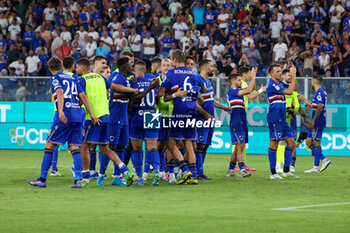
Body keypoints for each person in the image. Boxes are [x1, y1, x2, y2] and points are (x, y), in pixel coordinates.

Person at [27, 57, 98, 188]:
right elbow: (83, 96)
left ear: (49, 69)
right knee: (75, 147)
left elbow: (59, 93)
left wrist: (60, 111)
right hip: (77, 115)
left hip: (65, 116)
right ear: (61, 66)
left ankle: (42, 179)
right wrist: (92, 114)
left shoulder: (55, 78)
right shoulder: (74, 78)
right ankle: (77, 181)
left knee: (49, 145)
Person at [75, 57, 138, 187]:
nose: (76, 70)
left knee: (84, 145)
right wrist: (132, 90)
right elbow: (115, 87)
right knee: (104, 148)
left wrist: (91, 113)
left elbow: (83, 97)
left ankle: (85, 178)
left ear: (82, 68)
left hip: (92, 118)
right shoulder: (101, 78)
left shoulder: (83, 80)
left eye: (77, 67)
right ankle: (125, 170)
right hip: (106, 117)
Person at [158, 49, 206, 185]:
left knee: (172, 142)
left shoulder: (171, 73)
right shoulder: (194, 73)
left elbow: (161, 94)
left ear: (174, 60)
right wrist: (194, 92)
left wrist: (172, 94)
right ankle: (194, 175)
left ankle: (186, 171)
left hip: (179, 111)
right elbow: (204, 90)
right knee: (189, 144)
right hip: (192, 110)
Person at [196, 59, 231, 180]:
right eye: (211, 66)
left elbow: (209, 100)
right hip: (202, 118)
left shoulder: (208, 82)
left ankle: (200, 171)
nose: (214, 68)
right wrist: (205, 114)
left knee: (205, 145)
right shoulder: (198, 80)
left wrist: (223, 107)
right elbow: (196, 102)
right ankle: (197, 172)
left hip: (210, 118)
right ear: (205, 68)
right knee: (199, 145)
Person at [129, 60, 160, 186]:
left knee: (136, 148)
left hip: (137, 115)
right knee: (152, 147)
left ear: (134, 71)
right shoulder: (153, 81)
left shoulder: (132, 83)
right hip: (152, 115)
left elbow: (132, 100)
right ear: (145, 70)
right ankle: (157, 172)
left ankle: (140, 178)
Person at [266, 64, 299, 180]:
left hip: (282, 117)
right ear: (271, 74)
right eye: (277, 71)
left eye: (280, 71)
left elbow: (294, 89)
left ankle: (286, 171)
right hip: (275, 116)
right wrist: (293, 76)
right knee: (274, 143)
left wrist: (293, 76)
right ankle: (273, 173)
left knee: (291, 143)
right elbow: (290, 92)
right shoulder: (272, 85)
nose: (280, 73)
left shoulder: (280, 84)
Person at [226, 69, 256, 178]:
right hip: (236, 122)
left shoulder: (239, 93)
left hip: (242, 121)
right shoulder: (232, 91)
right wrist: (253, 77)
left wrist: (261, 90)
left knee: (241, 145)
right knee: (239, 145)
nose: (241, 82)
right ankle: (243, 170)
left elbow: (251, 92)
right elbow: (249, 89)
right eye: (239, 80)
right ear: (234, 82)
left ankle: (230, 170)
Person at [299, 76, 331, 173]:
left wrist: (312, 120)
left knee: (316, 142)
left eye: (311, 80)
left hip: (318, 121)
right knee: (309, 142)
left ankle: (316, 167)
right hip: (318, 120)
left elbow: (320, 107)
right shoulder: (321, 92)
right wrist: (304, 99)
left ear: (313, 81)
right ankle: (324, 160)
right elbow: (315, 105)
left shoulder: (320, 92)